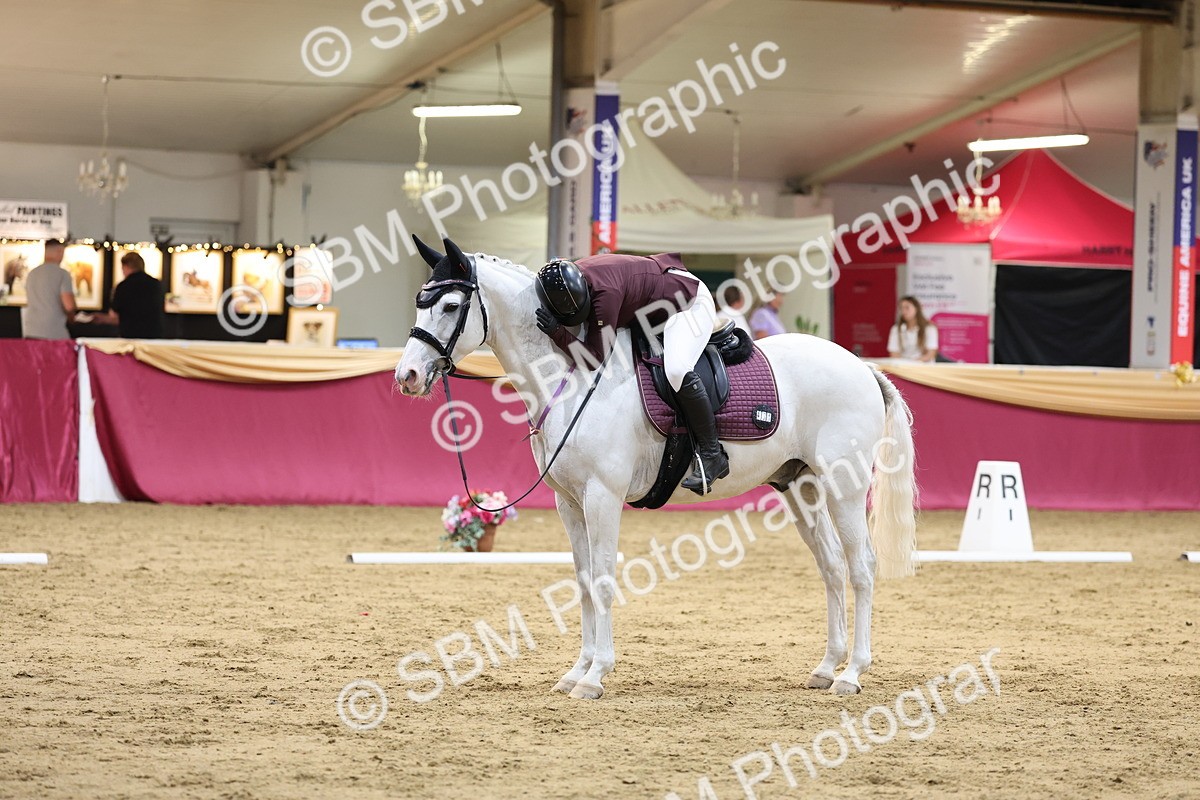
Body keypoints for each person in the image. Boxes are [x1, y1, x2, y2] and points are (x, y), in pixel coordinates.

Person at [535, 253, 727, 495]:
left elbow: (593, 358)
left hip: (688, 303)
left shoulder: (606, 297)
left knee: (677, 369)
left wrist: (557, 333)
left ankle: (713, 454)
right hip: (655, 299)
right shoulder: (569, 271)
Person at [91, 252, 166, 339]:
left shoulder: (123, 286)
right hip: (154, 335)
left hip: (130, 336)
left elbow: (114, 316)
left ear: (125, 266)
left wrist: (101, 318)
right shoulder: (156, 284)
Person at [22, 239, 76, 340]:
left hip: (31, 331)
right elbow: (69, 306)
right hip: (54, 332)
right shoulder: (62, 274)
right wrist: (72, 318)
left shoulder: (32, 273)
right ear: (60, 251)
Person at [887, 295, 939, 362]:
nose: (904, 311)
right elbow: (893, 352)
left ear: (917, 309)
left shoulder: (929, 328)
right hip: (903, 368)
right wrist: (904, 363)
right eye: (901, 308)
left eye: (907, 308)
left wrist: (913, 363)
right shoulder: (896, 329)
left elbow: (931, 354)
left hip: (924, 368)